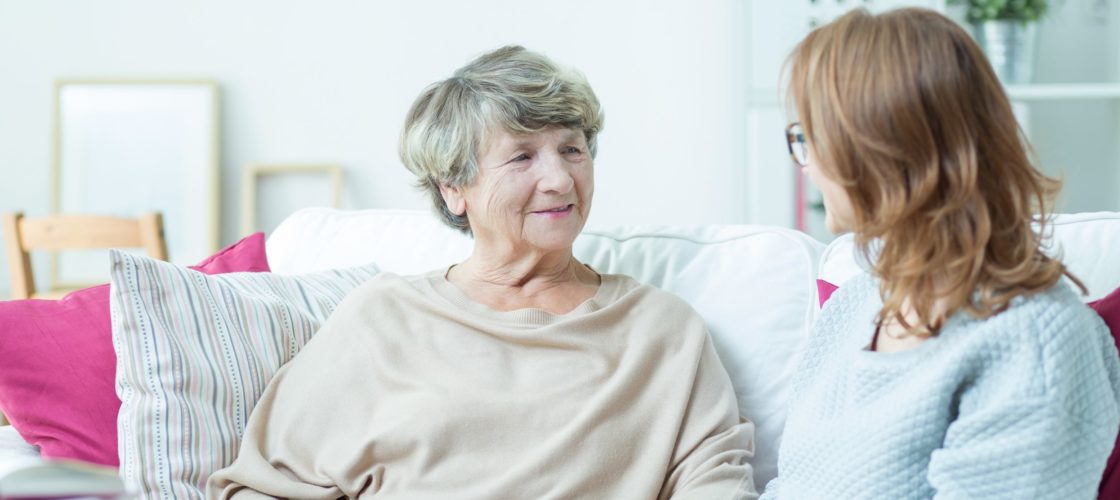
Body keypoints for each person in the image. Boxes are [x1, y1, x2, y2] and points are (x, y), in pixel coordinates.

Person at [207, 45, 758, 499]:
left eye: (572, 149)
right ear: (453, 189)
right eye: (522, 157)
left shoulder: (662, 332)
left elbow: (717, 484)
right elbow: (263, 485)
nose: (561, 180)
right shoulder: (383, 319)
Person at [761, 7, 1120, 499]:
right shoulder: (854, 304)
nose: (806, 162)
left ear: (879, 149)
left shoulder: (1034, 342)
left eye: (808, 136)